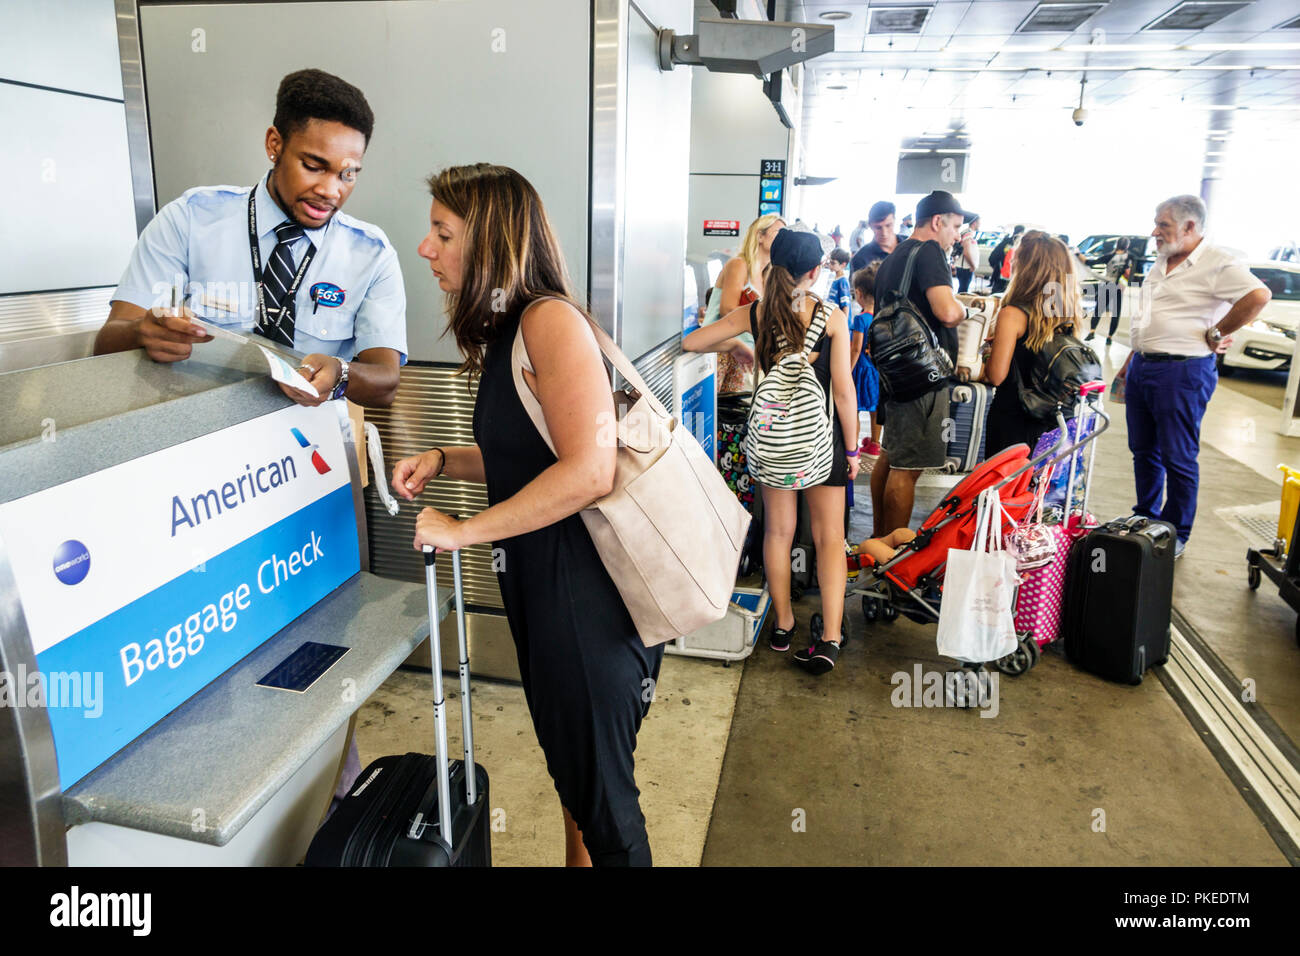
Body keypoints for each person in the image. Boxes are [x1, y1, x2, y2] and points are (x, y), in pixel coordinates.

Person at [393, 163, 663, 866]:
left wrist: (462, 531)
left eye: (442, 233)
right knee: (577, 791)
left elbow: (589, 468)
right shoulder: (510, 330)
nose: (426, 248)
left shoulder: (549, 322)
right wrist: (448, 459)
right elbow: (534, 456)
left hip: (588, 604)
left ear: (489, 243)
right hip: (549, 598)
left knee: (608, 818)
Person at [94, 69, 406, 408]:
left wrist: (342, 372)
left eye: (347, 174)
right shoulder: (190, 220)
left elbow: (385, 382)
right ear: (275, 144)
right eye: (314, 166)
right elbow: (108, 341)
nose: (330, 191)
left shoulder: (371, 254)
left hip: (305, 447)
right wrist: (142, 331)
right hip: (198, 435)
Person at [683, 229, 860, 675]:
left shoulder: (757, 313)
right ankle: (831, 637)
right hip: (823, 444)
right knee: (829, 540)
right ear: (816, 272)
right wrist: (853, 448)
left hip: (774, 438)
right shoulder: (832, 317)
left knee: (778, 533)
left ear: (772, 266)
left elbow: (693, 342)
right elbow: (843, 392)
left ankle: (781, 625)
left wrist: (741, 345)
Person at [1124, 194, 1270, 558]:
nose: (1155, 231)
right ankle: (1145, 516)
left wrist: (1219, 332)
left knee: (1178, 455)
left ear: (1190, 227)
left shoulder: (1218, 263)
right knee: (1143, 450)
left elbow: (1257, 296)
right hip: (1145, 365)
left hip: (1183, 371)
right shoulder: (1161, 261)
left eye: (1164, 225)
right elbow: (1147, 316)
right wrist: (1131, 357)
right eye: (1157, 223)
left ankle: (1176, 533)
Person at [870, 191, 972, 537]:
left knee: (891, 456)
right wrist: (966, 309)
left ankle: (879, 540)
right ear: (937, 221)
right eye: (956, 226)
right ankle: (893, 555)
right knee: (907, 468)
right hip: (923, 377)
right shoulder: (929, 252)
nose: (957, 235)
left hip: (896, 373)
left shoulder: (897, 254)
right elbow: (946, 311)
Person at [983, 231, 1085, 456]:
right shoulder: (1069, 313)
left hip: (1014, 421)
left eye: (1017, 256)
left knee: (1003, 488)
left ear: (1027, 267)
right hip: (1053, 422)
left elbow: (996, 376)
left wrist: (988, 352)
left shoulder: (1013, 313)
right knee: (1037, 489)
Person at [702, 213, 784, 392]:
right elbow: (727, 310)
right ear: (759, 236)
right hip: (720, 351)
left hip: (744, 355)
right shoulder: (739, 265)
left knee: (734, 412)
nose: (782, 237)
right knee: (711, 409)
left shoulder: (767, 276)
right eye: (778, 232)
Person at [850, 263, 883, 459]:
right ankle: (875, 444)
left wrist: (847, 370)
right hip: (877, 369)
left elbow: (855, 348)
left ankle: (852, 445)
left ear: (859, 293)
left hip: (861, 369)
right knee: (875, 408)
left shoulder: (860, 319)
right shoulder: (881, 316)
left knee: (854, 408)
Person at [1088, 237, 1132, 347]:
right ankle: (1109, 337)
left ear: (1116, 244)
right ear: (1127, 246)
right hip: (1119, 287)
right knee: (1115, 314)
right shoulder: (1129, 258)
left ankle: (1092, 331)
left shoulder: (1109, 256)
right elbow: (1128, 273)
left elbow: (1092, 262)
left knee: (1099, 309)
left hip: (1107, 284)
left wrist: (1078, 255)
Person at [850, 200, 899, 273]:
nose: (884, 233)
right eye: (878, 228)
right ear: (870, 226)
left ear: (895, 220)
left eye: (888, 225)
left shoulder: (911, 246)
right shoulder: (861, 259)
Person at [989, 225, 1023, 295]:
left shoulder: (1006, 242)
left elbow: (992, 257)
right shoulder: (1022, 246)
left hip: (1000, 276)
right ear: (1022, 232)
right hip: (1014, 279)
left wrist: (997, 268)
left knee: (995, 297)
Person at [952, 213, 980, 294]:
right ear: (974, 223)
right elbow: (966, 251)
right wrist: (972, 265)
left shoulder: (969, 233)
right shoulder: (968, 233)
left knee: (963, 288)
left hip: (965, 266)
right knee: (963, 291)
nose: (980, 225)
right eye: (979, 222)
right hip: (965, 267)